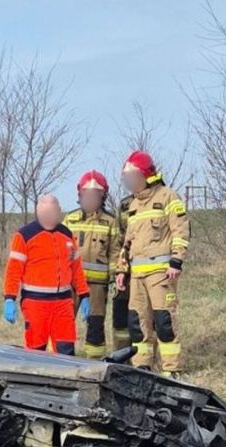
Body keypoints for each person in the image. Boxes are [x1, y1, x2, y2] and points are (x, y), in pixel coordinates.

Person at [114, 150, 190, 375]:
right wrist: (121, 270)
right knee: (138, 324)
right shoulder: (133, 205)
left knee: (164, 321)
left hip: (161, 273)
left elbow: (180, 230)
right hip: (136, 275)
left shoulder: (168, 197)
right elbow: (127, 242)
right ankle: (142, 366)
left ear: (146, 175)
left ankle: (171, 369)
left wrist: (176, 261)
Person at [2, 194, 88, 355]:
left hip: (63, 303)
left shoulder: (67, 235)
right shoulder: (24, 236)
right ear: (37, 212)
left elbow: (76, 267)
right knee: (36, 351)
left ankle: (65, 379)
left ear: (59, 211)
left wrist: (84, 294)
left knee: (66, 350)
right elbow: (13, 270)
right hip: (35, 303)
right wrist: (9, 298)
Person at [63, 170, 125, 358]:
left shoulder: (110, 221)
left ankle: (94, 362)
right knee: (64, 323)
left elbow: (115, 252)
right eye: (86, 194)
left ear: (103, 196)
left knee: (96, 324)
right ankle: (62, 361)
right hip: (71, 283)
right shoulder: (69, 220)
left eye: (95, 195)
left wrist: (115, 278)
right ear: (80, 195)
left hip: (97, 287)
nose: (90, 199)